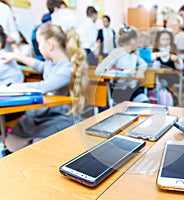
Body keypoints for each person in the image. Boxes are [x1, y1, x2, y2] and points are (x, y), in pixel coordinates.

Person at [0, 22, 89, 153]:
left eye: (39, 43)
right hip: (41, 114)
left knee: (35, 144)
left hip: (60, 117)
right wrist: (15, 56)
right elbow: (37, 64)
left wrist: (13, 87)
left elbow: (43, 87)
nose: (38, 47)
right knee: (13, 138)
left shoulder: (67, 69)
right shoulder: (50, 64)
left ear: (50, 44)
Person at [95, 25, 148, 103]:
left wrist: (140, 70)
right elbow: (99, 70)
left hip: (133, 89)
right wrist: (124, 72)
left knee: (145, 103)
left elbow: (144, 64)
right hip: (119, 90)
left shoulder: (134, 54)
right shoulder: (117, 52)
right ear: (132, 41)